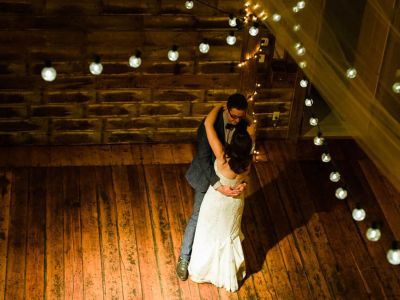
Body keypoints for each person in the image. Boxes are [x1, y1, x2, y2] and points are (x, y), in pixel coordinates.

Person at [176, 93, 252, 281]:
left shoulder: (244, 126)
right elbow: (203, 158)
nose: (236, 121)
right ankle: (184, 258)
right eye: (233, 116)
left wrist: (242, 183)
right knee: (197, 217)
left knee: (222, 227)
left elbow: (246, 159)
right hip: (208, 177)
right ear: (226, 108)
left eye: (240, 117)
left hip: (230, 185)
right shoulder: (209, 124)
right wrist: (218, 186)